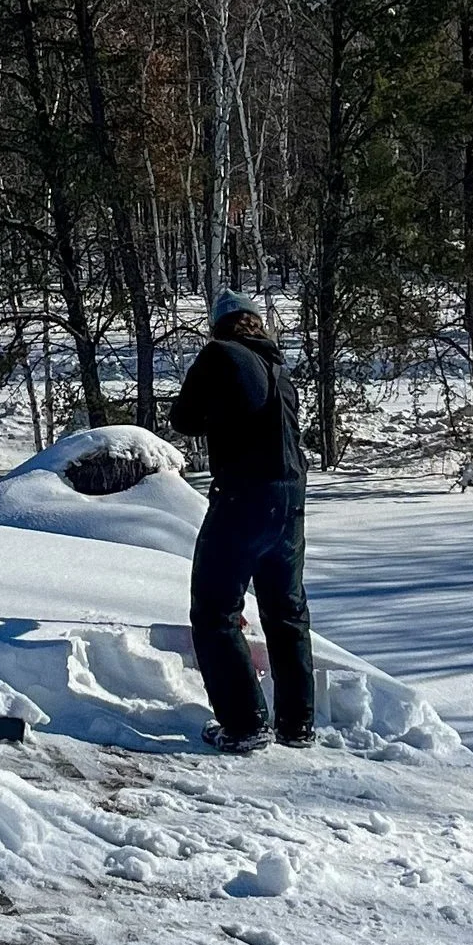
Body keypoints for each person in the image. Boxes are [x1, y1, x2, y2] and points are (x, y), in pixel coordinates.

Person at [167, 290, 316, 754]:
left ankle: (245, 722)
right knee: (286, 611)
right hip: (291, 499)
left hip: (244, 497)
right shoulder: (279, 369)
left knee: (214, 610)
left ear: (219, 325)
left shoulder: (218, 355)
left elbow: (184, 419)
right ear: (256, 323)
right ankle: (298, 726)